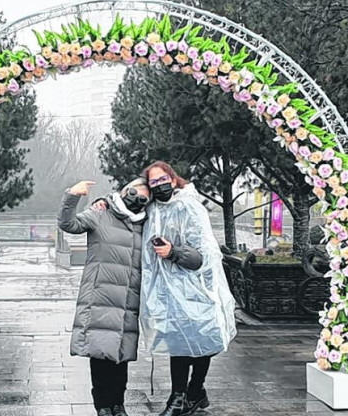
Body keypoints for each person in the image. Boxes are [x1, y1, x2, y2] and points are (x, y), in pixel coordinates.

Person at [141, 161, 237, 416]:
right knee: (178, 342)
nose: (160, 185)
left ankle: (195, 390)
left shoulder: (188, 206)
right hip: (170, 290)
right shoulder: (153, 209)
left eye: (163, 180)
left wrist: (172, 252)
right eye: (154, 182)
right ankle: (179, 396)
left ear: (173, 180)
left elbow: (201, 256)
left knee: (202, 340)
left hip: (197, 287)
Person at [57, 178, 151, 416]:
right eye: (133, 191)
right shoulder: (101, 213)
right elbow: (69, 224)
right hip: (100, 297)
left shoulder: (146, 224)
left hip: (128, 302)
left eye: (143, 197)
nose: (137, 199)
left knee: (121, 357)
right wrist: (72, 195)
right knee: (100, 354)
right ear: (123, 190)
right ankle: (103, 406)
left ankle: (118, 405)